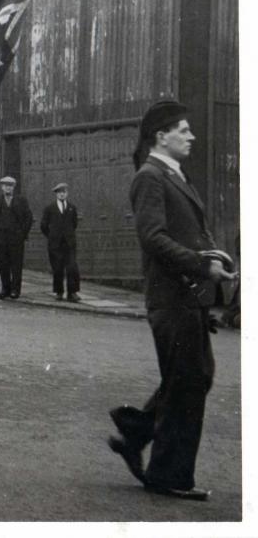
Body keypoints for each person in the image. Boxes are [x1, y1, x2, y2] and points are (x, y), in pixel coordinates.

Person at [107, 100, 237, 501]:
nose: (191, 136)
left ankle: (137, 432)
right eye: (184, 130)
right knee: (187, 383)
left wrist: (216, 258)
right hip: (172, 298)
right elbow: (154, 238)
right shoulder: (150, 176)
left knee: (194, 378)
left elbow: (193, 231)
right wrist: (203, 264)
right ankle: (167, 474)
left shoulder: (172, 175)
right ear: (161, 137)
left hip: (188, 297)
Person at [0, 175, 33, 299]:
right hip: (0, 238)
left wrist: (23, 234)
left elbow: (28, 218)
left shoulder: (21, 200)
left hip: (16, 238)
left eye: (10, 186)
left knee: (16, 265)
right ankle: (5, 289)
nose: (8, 188)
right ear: (2, 187)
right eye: (5, 185)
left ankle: (15, 291)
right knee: (2, 264)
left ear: (14, 187)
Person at [39, 182, 81, 302]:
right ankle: (59, 292)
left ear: (67, 193)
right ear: (56, 194)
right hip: (55, 244)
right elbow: (43, 225)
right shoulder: (50, 208)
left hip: (69, 243)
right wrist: (51, 236)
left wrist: (68, 235)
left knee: (72, 267)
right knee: (57, 268)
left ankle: (72, 293)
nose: (62, 194)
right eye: (59, 192)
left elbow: (74, 224)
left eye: (64, 192)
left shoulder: (72, 207)